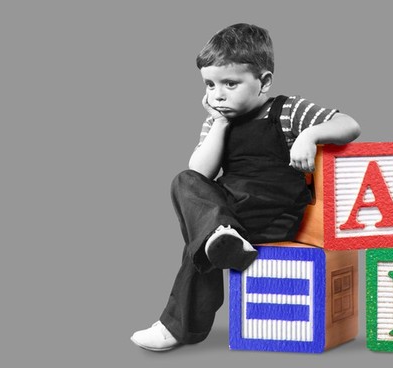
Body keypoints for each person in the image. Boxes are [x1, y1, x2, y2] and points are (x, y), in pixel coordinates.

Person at [130, 23, 361, 351]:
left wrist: (310, 136)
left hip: (272, 209)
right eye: (209, 84)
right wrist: (220, 123)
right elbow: (201, 173)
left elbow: (350, 124)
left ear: (264, 81)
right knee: (184, 179)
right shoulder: (216, 121)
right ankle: (221, 237)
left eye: (230, 83)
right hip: (230, 207)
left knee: (199, 242)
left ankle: (180, 326)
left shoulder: (289, 110)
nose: (217, 94)